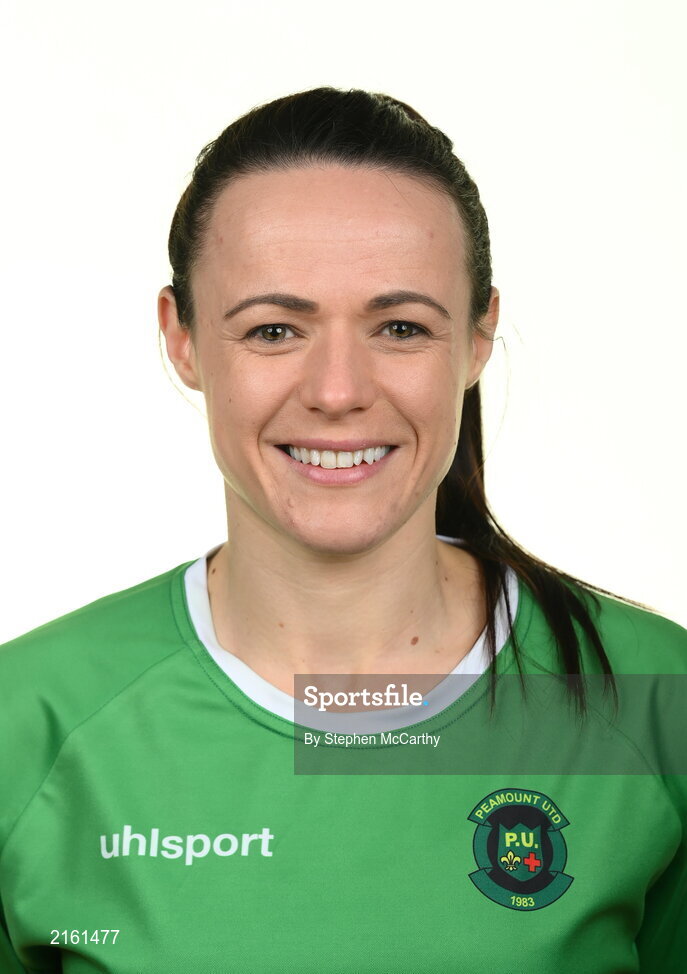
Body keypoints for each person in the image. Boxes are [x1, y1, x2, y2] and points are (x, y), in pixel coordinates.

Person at [0, 86, 685, 974]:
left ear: (477, 337)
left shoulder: (655, 700)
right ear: (183, 339)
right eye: (273, 330)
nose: (336, 391)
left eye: (400, 327)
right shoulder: (28, 720)